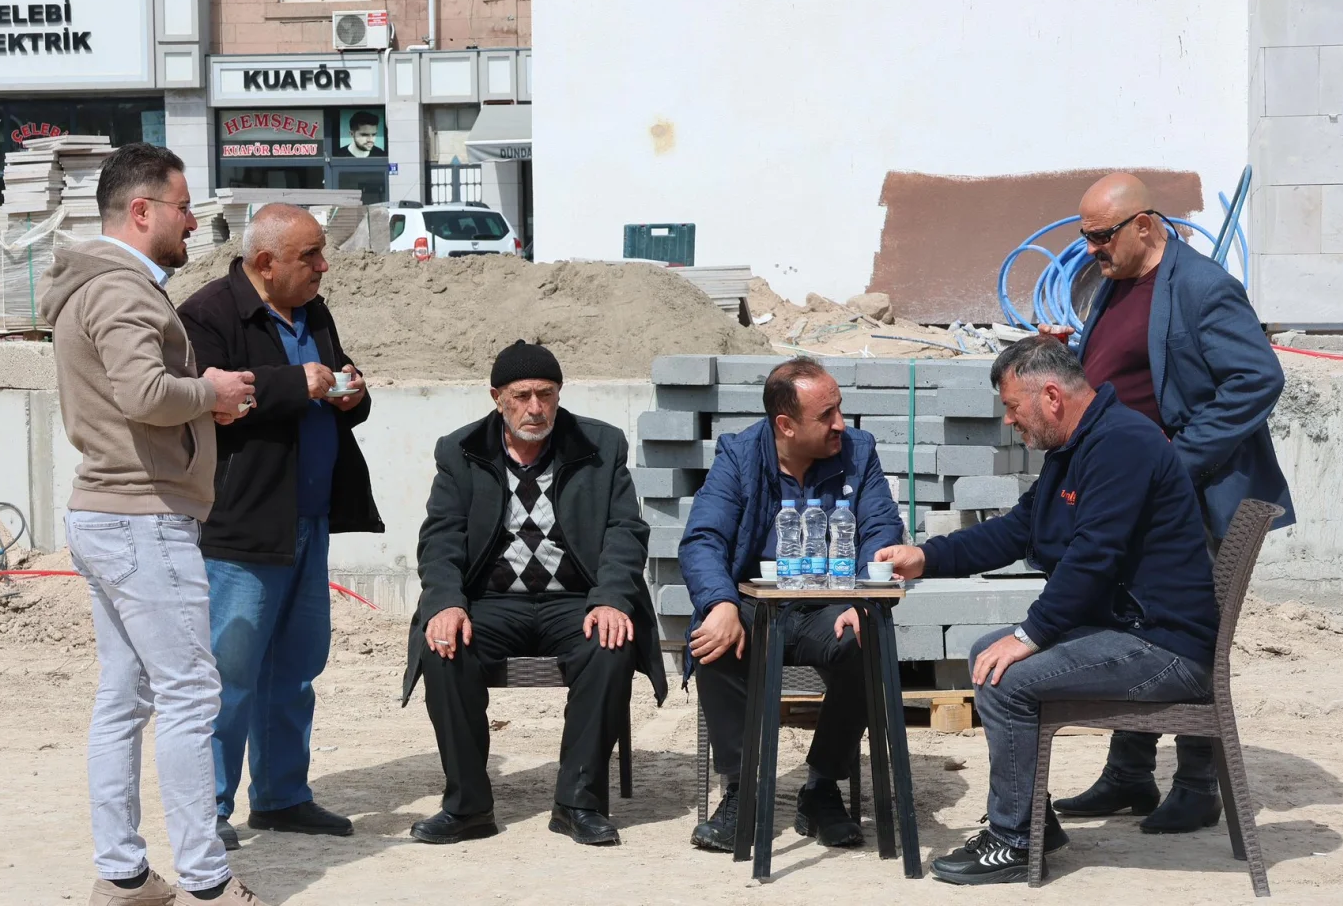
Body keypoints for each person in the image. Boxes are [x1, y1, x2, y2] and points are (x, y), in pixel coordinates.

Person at [875, 336, 1221, 886]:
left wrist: (1028, 635)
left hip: (1166, 647)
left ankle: (1014, 840)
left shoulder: (1121, 445)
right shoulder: (1078, 447)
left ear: (1052, 397)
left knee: (1006, 676)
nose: (1009, 421)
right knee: (986, 653)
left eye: (1013, 407)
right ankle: (1035, 822)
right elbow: (1019, 529)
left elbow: (1093, 558)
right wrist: (926, 557)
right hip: (1132, 629)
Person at [40, 143, 267, 906]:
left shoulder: (94, 285)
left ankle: (124, 874)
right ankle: (205, 882)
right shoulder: (122, 291)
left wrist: (199, 404)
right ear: (142, 211)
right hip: (142, 517)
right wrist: (210, 393)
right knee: (189, 695)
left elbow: (130, 396)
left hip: (111, 512)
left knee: (125, 697)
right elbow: (143, 393)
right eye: (183, 207)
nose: (193, 222)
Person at [1041, 172, 1291, 834]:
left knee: (1187, 633)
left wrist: (1176, 463)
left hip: (1192, 500)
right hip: (1135, 498)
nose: (1090, 248)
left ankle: (1198, 785)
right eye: (1085, 236)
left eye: (1100, 236)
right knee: (1133, 627)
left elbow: (1257, 377)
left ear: (1144, 225)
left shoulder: (1203, 287)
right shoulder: (1114, 282)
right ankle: (1129, 774)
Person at [401, 340, 667, 847]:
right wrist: (446, 603)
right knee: (443, 647)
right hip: (491, 603)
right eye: (522, 396)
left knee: (610, 644)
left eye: (546, 394)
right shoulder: (460, 450)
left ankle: (578, 803)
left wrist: (611, 597)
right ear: (497, 397)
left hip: (577, 600)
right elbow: (441, 537)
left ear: (560, 394)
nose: (535, 408)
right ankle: (467, 807)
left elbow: (625, 531)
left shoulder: (600, 444)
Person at [178, 203, 383, 851]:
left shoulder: (312, 310)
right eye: (310, 255)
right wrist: (298, 383)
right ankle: (208, 810)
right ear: (265, 263)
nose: (324, 267)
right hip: (243, 528)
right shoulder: (208, 315)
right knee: (230, 673)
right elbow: (210, 402)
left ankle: (282, 797)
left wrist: (352, 393)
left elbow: (335, 386)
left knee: (296, 667)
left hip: (309, 521)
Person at [677, 357, 906, 853]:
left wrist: (865, 597)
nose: (840, 424)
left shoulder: (858, 451)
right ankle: (742, 790)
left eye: (839, 408)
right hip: (757, 607)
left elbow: (882, 528)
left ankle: (822, 788)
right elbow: (703, 540)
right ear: (785, 425)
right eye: (826, 415)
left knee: (865, 640)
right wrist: (719, 603)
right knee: (715, 636)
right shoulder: (739, 455)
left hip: (830, 604)